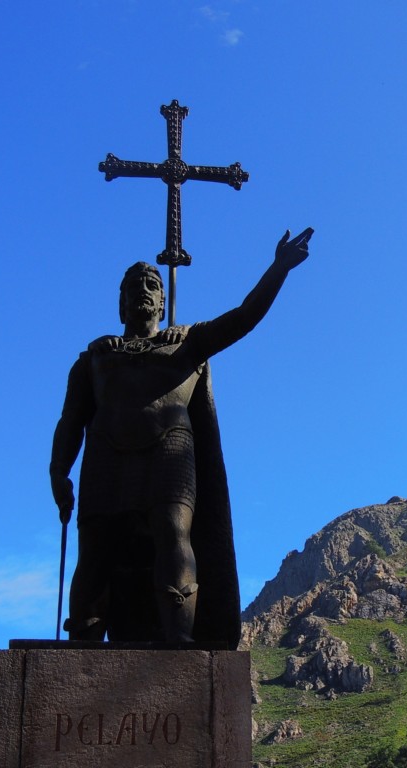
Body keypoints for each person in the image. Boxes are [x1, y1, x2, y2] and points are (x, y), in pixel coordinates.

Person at [50, 228, 312, 646]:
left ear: (162, 300)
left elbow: (244, 317)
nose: (143, 290)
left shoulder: (188, 343)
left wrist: (278, 268)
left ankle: (179, 639)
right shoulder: (96, 358)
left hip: (169, 448)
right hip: (105, 454)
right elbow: (70, 421)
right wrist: (58, 472)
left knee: (174, 534)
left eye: (152, 284)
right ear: (121, 303)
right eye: (133, 285)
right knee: (96, 548)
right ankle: (84, 644)